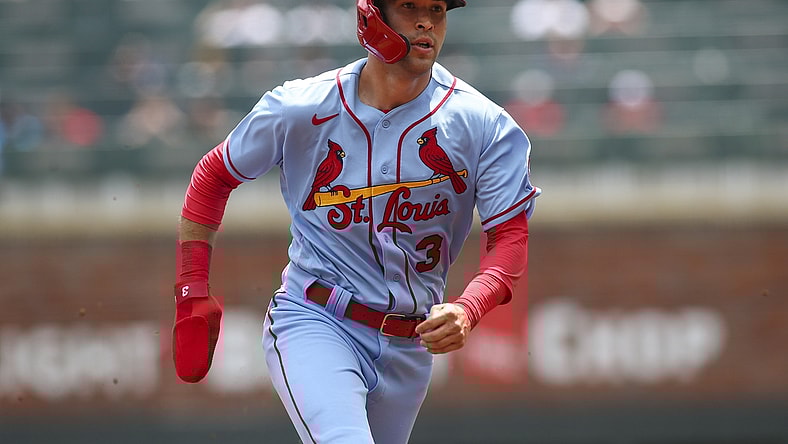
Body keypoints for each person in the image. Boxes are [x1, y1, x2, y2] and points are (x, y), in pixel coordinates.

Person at [171, 1, 540, 443]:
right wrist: (191, 290)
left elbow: (510, 240)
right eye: (410, 7)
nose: (427, 22)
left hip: (410, 342)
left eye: (438, 10)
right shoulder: (301, 106)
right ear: (372, 15)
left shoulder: (484, 124)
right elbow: (213, 176)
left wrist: (469, 306)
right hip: (317, 317)